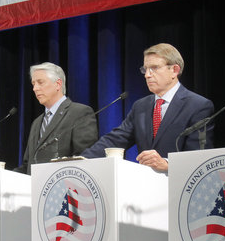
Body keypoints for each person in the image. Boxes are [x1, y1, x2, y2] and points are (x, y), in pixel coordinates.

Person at [81, 43, 214, 171]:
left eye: (154, 68)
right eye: (145, 69)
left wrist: (167, 164)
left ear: (174, 70)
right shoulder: (140, 106)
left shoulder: (198, 106)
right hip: (147, 186)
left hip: (180, 187)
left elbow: (199, 158)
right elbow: (115, 140)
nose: (147, 75)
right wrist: (80, 160)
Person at [16, 63, 98, 174]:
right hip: (35, 188)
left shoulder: (79, 113)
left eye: (40, 82)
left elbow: (83, 159)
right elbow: (28, 166)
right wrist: (3, 177)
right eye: (33, 84)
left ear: (58, 84)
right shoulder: (36, 123)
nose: (35, 88)